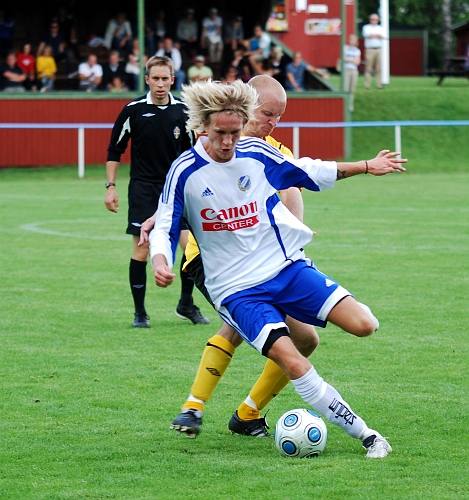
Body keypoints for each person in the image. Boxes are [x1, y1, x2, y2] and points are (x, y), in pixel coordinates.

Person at [149, 79, 407, 458]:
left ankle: (229, 410)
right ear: (203, 126)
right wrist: (159, 260)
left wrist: (367, 166)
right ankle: (368, 436)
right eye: (220, 133)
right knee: (293, 356)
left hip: (284, 268)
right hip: (236, 289)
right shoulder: (185, 170)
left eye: (234, 133)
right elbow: (166, 223)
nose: (228, 142)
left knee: (365, 324)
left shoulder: (255, 152)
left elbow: (307, 171)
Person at [138, 76, 319, 438]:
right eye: (268, 114)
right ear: (249, 108)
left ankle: (240, 412)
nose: (273, 123)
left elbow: (292, 192)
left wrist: (293, 244)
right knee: (250, 327)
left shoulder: (272, 151)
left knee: (306, 339)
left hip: (262, 261)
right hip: (211, 260)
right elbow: (189, 187)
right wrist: (162, 217)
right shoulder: (217, 141)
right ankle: (200, 408)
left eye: (279, 116)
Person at [104, 56, 210, 328]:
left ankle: (186, 304)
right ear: (147, 79)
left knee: (192, 249)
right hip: (143, 189)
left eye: (166, 78)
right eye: (156, 79)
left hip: (177, 190)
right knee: (142, 248)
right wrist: (110, 187)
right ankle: (140, 313)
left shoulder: (184, 112)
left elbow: (193, 154)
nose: (160, 84)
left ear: (173, 80)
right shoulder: (133, 110)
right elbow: (115, 149)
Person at [362, 13, 385, 90]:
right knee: (368, 68)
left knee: (379, 68)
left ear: (378, 20)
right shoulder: (366, 27)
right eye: (372, 19)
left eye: (375, 19)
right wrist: (376, 35)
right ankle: (367, 85)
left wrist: (373, 35)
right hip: (370, 49)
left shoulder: (380, 28)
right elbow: (367, 35)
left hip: (378, 49)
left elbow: (382, 36)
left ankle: (379, 84)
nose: (374, 21)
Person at [343, 34, 361, 112]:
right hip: (346, 69)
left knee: (352, 89)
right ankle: (344, 105)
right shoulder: (345, 48)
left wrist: (349, 59)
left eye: (354, 40)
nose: (352, 41)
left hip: (354, 71)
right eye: (351, 40)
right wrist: (352, 60)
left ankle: (350, 106)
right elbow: (344, 58)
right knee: (345, 88)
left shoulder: (357, 51)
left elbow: (357, 62)